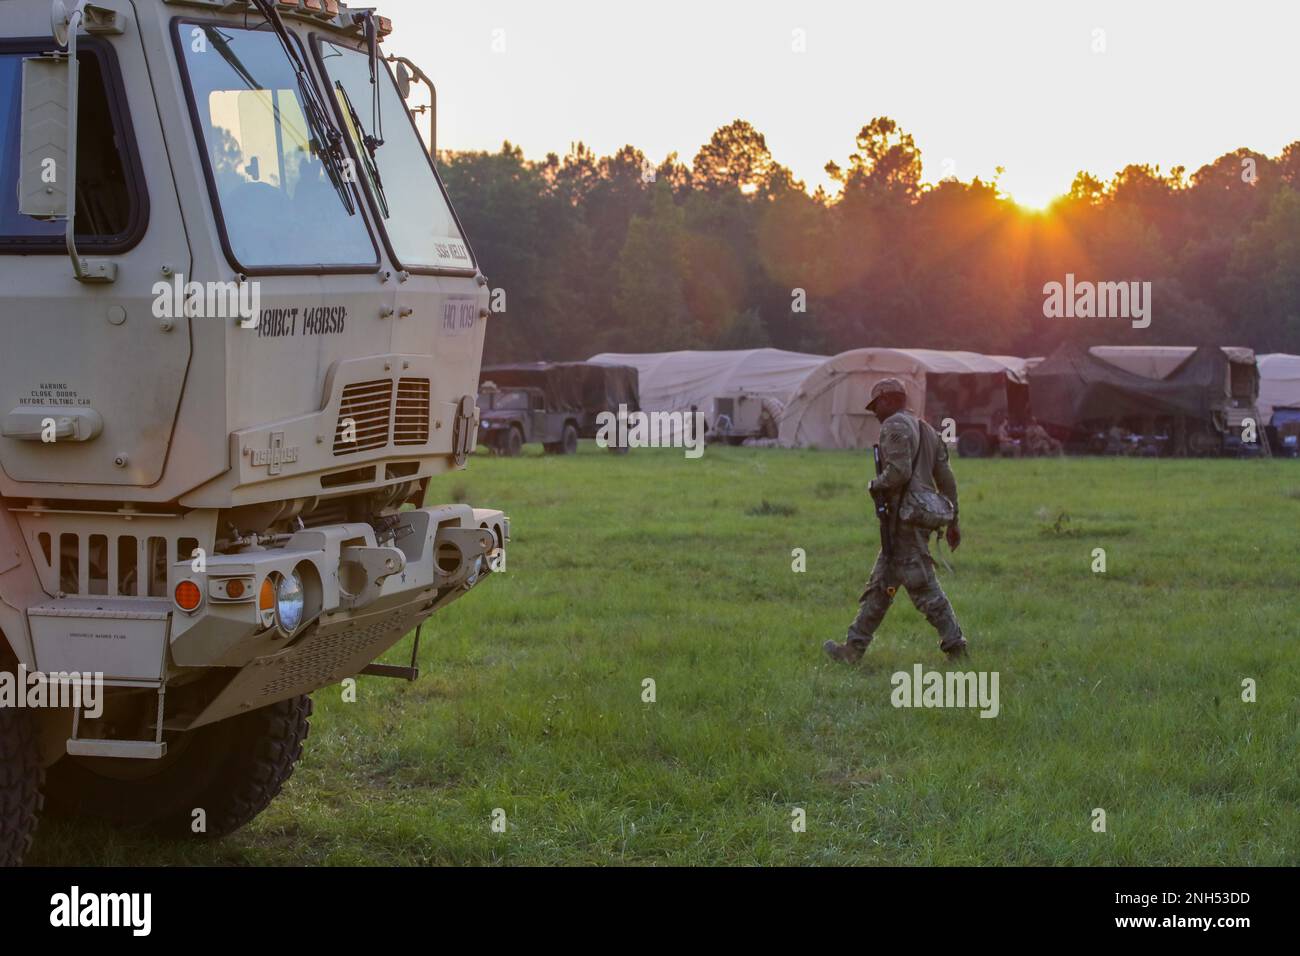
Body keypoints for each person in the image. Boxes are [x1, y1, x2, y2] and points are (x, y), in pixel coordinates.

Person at [823, 379, 967, 663]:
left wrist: (875, 485)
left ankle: (955, 645)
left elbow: (898, 472)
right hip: (920, 516)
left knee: (922, 585)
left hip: (904, 519)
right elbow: (947, 480)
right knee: (881, 586)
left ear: (888, 400)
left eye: (876, 405)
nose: (875, 413)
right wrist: (954, 521)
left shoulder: (895, 426)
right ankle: (853, 649)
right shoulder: (927, 430)